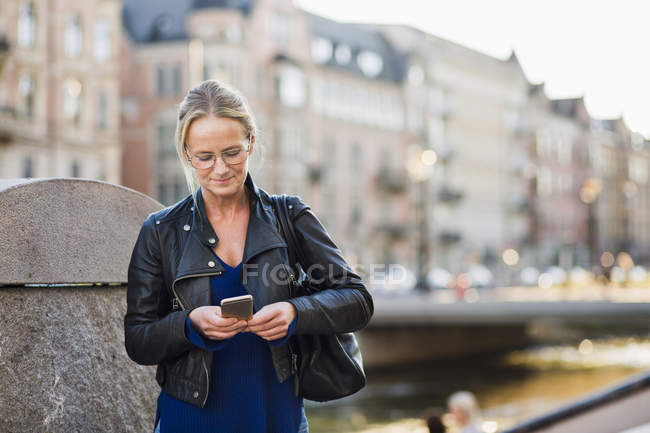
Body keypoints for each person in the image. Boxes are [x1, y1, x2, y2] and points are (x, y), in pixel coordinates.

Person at [123, 79, 373, 433]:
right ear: (186, 154)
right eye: (205, 157)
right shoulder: (160, 230)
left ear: (251, 143)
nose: (220, 169)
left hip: (278, 418)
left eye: (232, 152)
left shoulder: (290, 216)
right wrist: (190, 323)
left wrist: (295, 312)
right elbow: (137, 339)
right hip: (190, 421)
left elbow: (358, 300)